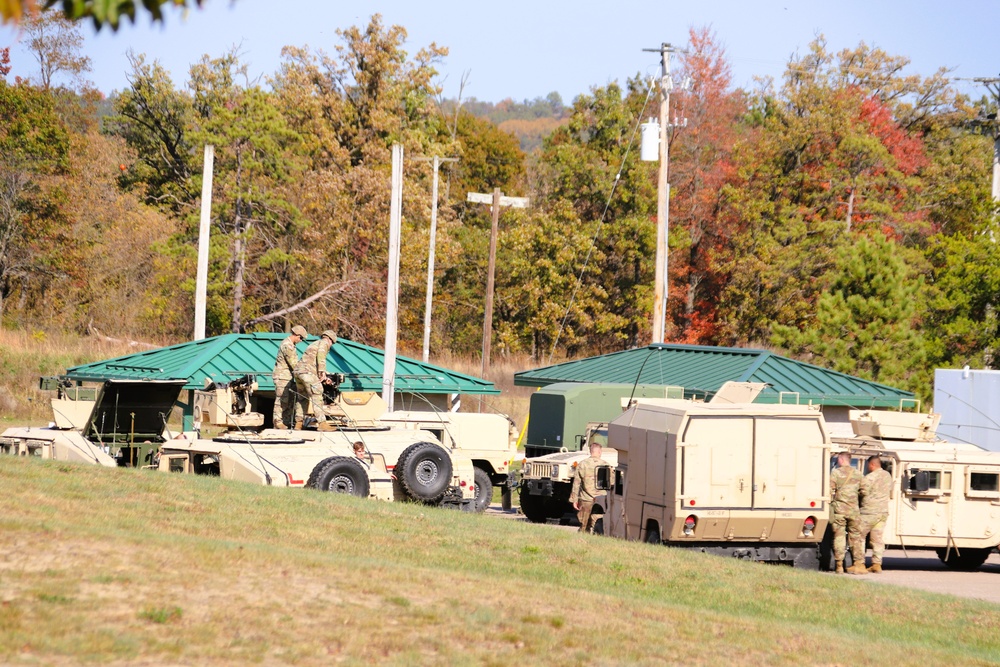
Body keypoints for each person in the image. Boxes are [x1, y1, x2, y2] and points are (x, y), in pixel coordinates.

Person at [293, 329, 337, 431]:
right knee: (317, 394)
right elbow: (321, 356)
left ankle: (298, 424)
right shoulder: (324, 343)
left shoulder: (314, 343)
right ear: (330, 340)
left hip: (298, 372)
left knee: (302, 398)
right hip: (307, 372)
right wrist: (322, 372)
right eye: (332, 343)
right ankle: (322, 423)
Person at [830, 451, 865, 575]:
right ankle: (858, 564)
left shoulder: (836, 473)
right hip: (854, 511)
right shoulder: (858, 474)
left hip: (839, 511)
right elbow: (864, 492)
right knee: (855, 537)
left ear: (841, 459)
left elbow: (830, 490)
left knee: (839, 537)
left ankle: (839, 566)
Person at [858, 455, 893, 573]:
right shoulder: (887, 476)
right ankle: (877, 564)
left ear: (872, 464)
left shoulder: (869, 478)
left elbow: (863, 492)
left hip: (869, 512)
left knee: (859, 537)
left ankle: (860, 564)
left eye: (868, 465)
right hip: (882, 513)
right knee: (877, 539)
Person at [271, 325, 307, 429]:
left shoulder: (290, 345)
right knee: (282, 399)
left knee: (289, 400)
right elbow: (294, 364)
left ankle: (285, 421)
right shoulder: (287, 345)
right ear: (297, 335)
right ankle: (278, 421)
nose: (301, 341)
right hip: (282, 377)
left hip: (288, 377)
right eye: (301, 338)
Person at [569, 440, 605, 534]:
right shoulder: (606, 465)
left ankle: (583, 541)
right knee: (599, 524)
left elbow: (576, 483)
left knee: (584, 526)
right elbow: (611, 483)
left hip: (586, 499)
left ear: (590, 451)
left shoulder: (582, 464)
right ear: (600, 452)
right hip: (601, 499)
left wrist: (574, 500)